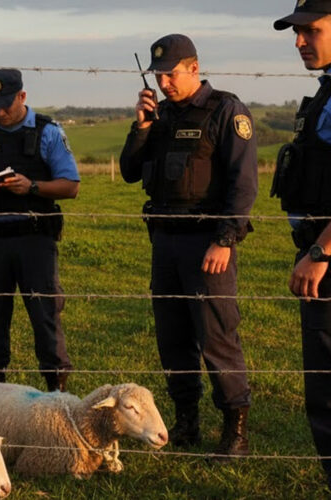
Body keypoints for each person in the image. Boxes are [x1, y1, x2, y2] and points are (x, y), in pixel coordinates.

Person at [119, 34, 258, 460]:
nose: (164, 83)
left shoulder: (225, 110)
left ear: (194, 69)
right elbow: (128, 170)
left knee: (216, 337)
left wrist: (225, 239)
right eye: (159, 76)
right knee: (173, 336)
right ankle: (186, 421)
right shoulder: (158, 116)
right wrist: (141, 126)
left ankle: (234, 430)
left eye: (172, 74)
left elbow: (243, 182)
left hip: (206, 243)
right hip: (164, 241)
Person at [0, 68, 80, 392]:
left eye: (6, 104)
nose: (0, 112)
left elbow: (71, 186)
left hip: (35, 239)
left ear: (22, 97)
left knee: (46, 320)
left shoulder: (48, 132)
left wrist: (31, 186)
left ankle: (57, 395)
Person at [274, 1, 331, 489]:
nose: (298, 42)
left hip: (327, 258)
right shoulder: (325, 91)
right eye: (295, 32)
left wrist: (322, 251)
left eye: (310, 30)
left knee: (328, 395)